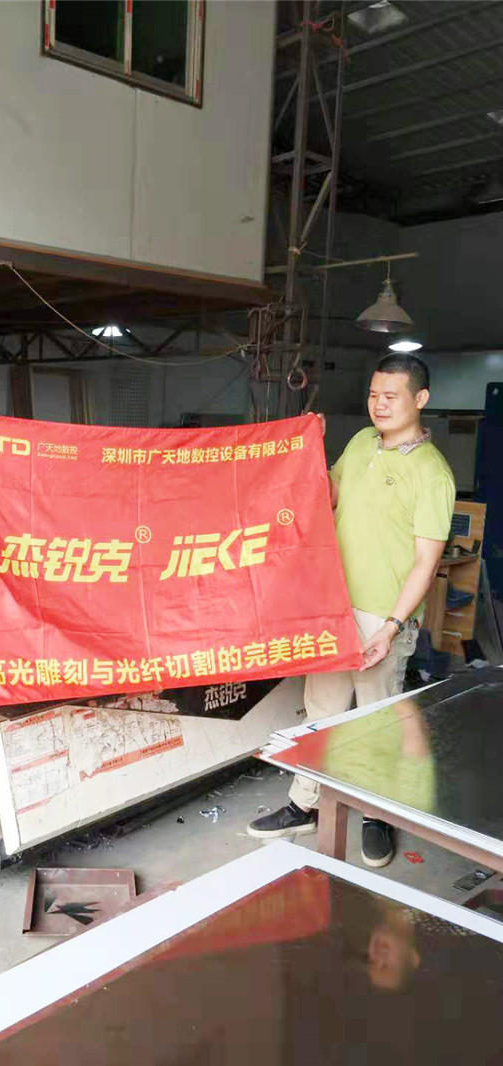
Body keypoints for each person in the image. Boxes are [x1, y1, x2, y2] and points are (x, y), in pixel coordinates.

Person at [247, 354, 455, 867]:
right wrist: (308, 448)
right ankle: (305, 805)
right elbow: (330, 494)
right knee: (321, 713)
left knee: (375, 720)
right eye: (373, 394)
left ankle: (375, 816)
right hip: (332, 605)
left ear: (420, 400)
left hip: (382, 616)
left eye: (391, 396)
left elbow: (426, 563)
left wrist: (392, 627)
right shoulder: (362, 442)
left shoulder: (432, 474)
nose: (379, 405)